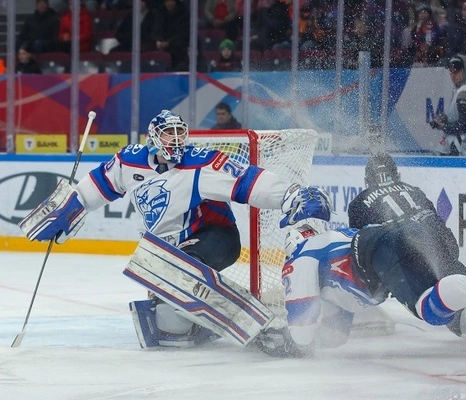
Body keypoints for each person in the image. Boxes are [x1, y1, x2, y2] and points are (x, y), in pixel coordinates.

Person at [19, 109, 332, 347]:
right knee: (165, 329)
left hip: (216, 237)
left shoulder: (199, 163)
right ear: (154, 137)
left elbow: (246, 179)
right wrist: (72, 207)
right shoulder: (130, 162)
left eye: (180, 134)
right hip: (171, 252)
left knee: (175, 270)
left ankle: (257, 327)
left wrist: (289, 194)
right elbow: (99, 184)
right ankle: (202, 325)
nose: (177, 140)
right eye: (169, 134)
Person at [253, 219, 466, 359]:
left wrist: (287, 343)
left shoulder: (301, 255)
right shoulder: (332, 241)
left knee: (431, 311)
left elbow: (303, 334)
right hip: (409, 235)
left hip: (378, 252)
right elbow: (337, 331)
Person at [347, 153, 466, 357]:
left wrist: (380, 283)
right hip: (441, 251)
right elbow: (441, 232)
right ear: (396, 174)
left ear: (367, 180)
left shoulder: (359, 203)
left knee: (450, 315)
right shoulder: (414, 191)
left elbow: (363, 251)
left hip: (406, 261)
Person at [429, 54, 466, 156]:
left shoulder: (465, 92)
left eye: (456, 71)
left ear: (465, 71)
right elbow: (462, 120)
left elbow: (462, 126)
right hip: (465, 149)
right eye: (451, 71)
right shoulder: (463, 89)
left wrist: (443, 126)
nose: (453, 75)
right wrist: (445, 119)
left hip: (461, 151)